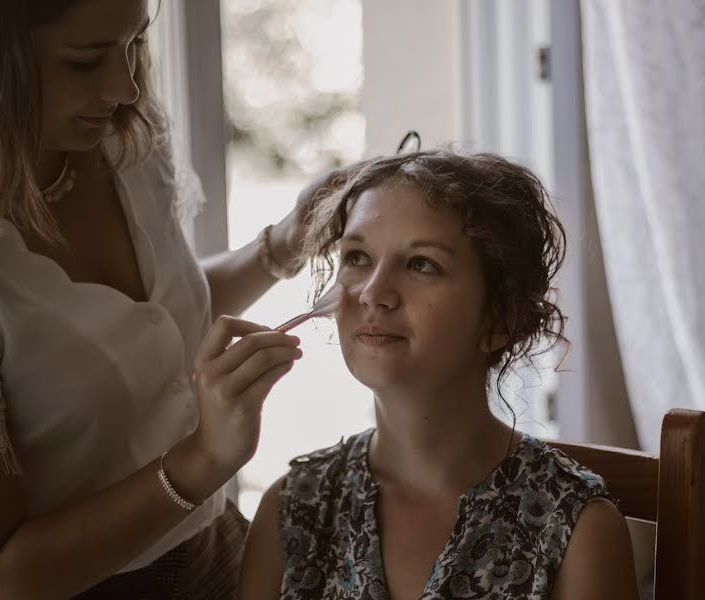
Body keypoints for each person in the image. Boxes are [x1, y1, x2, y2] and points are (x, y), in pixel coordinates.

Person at [0, 0, 338, 597]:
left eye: (135, 44)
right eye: (85, 61)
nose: (124, 87)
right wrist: (203, 459)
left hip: (222, 547)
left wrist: (284, 243)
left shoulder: (125, 136)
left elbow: (155, 319)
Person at [238, 151, 639, 599]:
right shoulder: (292, 511)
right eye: (357, 257)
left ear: (500, 317)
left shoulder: (577, 532)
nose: (373, 293)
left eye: (421, 264)